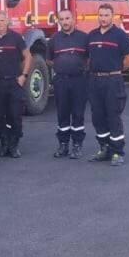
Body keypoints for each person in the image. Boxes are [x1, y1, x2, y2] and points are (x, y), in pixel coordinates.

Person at [86, 4, 129, 166]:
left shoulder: (120, 35)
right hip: (94, 81)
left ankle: (117, 152)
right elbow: (87, 57)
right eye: (100, 15)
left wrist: (115, 70)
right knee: (97, 117)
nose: (103, 18)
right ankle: (104, 148)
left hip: (113, 81)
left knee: (113, 116)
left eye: (106, 15)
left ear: (112, 16)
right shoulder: (92, 35)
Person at [0, 11, 31, 159]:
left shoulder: (16, 37)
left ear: (7, 21)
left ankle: (14, 145)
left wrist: (24, 76)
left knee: (15, 115)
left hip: (14, 82)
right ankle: (4, 144)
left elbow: (28, 56)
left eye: (2, 20)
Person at [46, 9, 89, 159]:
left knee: (78, 113)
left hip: (79, 81)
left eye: (67, 18)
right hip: (61, 81)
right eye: (62, 19)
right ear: (58, 21)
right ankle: (63, 145)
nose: (65, 22)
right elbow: (49, 59)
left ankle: (77, 145)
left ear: (73, 19)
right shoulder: (54, 39)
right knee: (62, 113)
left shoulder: (84, 38)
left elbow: (89, 58)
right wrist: (62, 66)